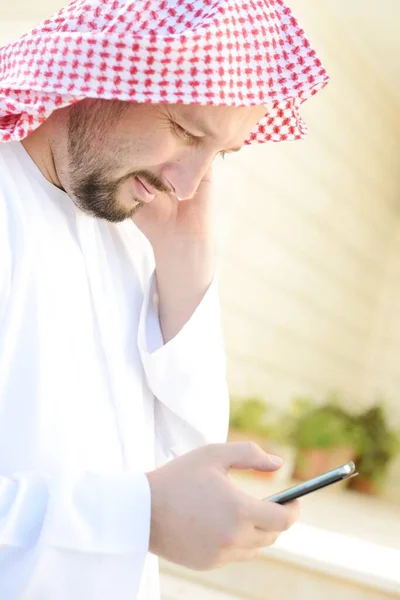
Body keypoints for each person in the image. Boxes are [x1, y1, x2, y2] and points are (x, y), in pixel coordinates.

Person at [0, 0, 329, 598]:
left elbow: (187, 458)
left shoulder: (129, 237)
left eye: (220, 154)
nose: (188, 184)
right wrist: (137, 516)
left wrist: (189, 266)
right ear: (96, 68)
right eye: (184, 129)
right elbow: (151, 504)